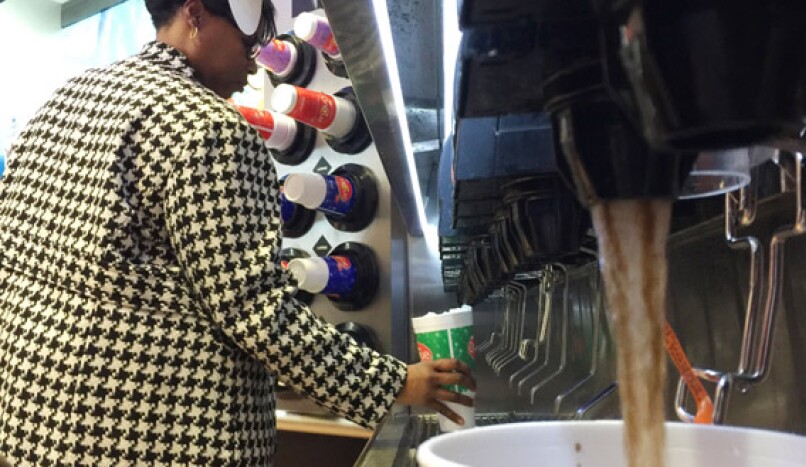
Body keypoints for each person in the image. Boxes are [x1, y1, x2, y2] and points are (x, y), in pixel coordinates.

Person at [0, 0, 475, 464]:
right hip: (163, 437)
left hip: (37, 425)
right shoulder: (209, 128)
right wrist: (394, 383)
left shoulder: (67, 99)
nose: (255, 63)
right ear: (195, 13)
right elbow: (254, 307)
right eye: (248, 41)